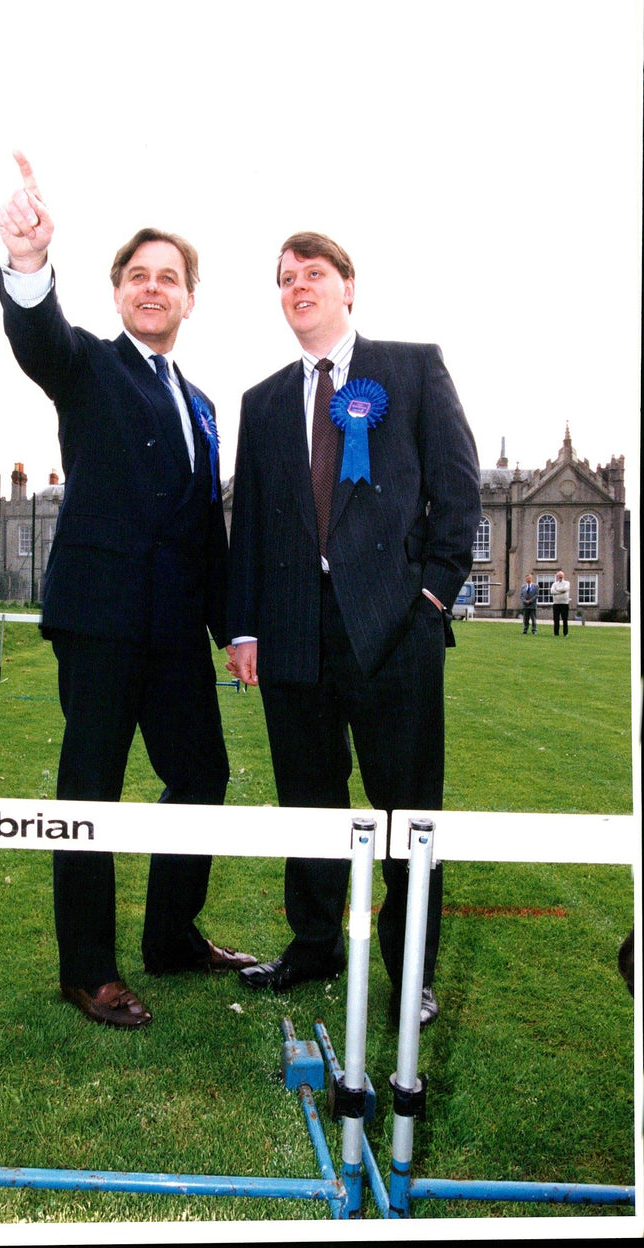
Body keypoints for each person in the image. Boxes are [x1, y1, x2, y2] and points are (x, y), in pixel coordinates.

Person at [0, 151, 255, 1030]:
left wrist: (237, 630)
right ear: (116, 294)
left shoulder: (205, 404)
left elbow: (203, 532)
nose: (153, 289)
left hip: (177, 630)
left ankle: (172, 936)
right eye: (138, 276)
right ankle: (89, 970)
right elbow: (41, 339)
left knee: (203, 774)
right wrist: (29, 265)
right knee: (90, 794)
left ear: (190, 298)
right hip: (100, 623)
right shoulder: (90, 368)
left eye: (169, 278)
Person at [226, 231, 481, 1028]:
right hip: (294, 634)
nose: (298, 286)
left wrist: (432, 600)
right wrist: (244, 630)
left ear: (347, 286)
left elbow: (458, 491)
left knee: (407, 810)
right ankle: (312, 946)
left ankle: (412, 974)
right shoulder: (262, 402)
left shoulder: (411, 368)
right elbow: (254, 531)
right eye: (285, 279)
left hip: (395, 634)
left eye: (314, 274)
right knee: (308, 800)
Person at [551, 570, 570, 636]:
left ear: (563, 576)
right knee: (556, 619)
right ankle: (556, 633)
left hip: (564, 603)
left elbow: (565, 589)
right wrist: (561, 591)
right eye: (559, 575)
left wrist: (557, 590)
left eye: (561, 575)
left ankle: (565, 633)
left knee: (565, 619)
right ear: (557, 576)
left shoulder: (567, 583)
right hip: (556, 603)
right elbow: (552, 591)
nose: (560, 577)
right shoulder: (554, 584)